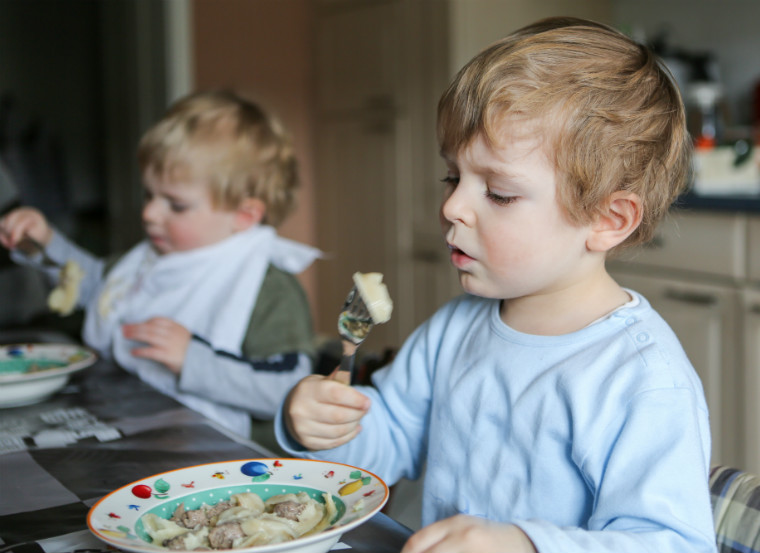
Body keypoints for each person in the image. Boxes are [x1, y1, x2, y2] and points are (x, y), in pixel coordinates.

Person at [276, 16, 718, 553]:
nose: (452, 207)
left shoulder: (641, 380)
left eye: (500, 193)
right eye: (452, 177)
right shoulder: (453, 330)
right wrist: (316, 428)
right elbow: (381, 445)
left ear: (608, 219)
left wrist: (526, 544)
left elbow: (672, 544)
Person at [0, 90, 321, 440]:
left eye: (176, 205)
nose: (149, 214)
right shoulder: (150, 259)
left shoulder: (267, 288)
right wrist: (45, 243)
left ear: (244, 215)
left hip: (219, 459)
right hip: (134, 423)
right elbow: (94, 288)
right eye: (149, 195)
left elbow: (288, 391)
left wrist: (193, 361)